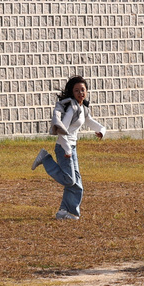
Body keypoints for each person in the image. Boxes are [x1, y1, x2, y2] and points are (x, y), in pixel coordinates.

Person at [30, 75, 105, 220]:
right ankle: (45, 158)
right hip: (64, 148)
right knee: (70, 180)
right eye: (76, 90)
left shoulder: (82, 108)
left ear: (87, 91)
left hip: (72, 148)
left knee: (77, 184)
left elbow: (90, 121)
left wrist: (102, 130)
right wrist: (67, 150)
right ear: (72, 92)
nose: (80, 93)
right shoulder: (72, 108)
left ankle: (65, 212)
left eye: (82, 90)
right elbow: (61, 130)